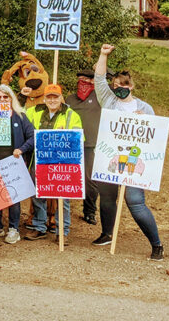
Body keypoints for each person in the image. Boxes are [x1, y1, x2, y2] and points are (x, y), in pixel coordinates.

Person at [92, 44, 163, 261]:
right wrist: (103, 54)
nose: (118, 88)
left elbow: (155, 138)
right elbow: (99, 79)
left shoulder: (145, 108)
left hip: (133, 161)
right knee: (107, 198)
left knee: (135, 202)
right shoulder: (109, 101)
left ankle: (156, 244)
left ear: (130, 86)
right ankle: (107, 234)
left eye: (122, 85)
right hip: (110, 159)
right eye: (115, 86)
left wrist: (145, 120)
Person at [24, 84, 82, 242]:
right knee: (38, 194)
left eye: (55, 97)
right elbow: (21, 122)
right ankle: (39, 227)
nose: (52, 100)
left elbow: (79, 139)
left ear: (61, 98)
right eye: (49, 97)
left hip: (62, 162)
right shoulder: (33, 111)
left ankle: (62, 231)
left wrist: (65, 135)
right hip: (40, 160)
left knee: (63, 197)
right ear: (44, 98)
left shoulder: (71, 115)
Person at [0, 85, 35, 244]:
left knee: (13, 195)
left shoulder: (20, 116)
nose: (2, 100)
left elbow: (33, 137)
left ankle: (13, 228)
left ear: (11, 99)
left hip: (12, 161)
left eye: (6, 97)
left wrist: (22, 149)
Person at [65, 69, 101, 225]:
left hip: (90, 144)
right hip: (71, 143)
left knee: (89, 180)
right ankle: (61, 211)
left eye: (87, 80)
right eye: (81, 80)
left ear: (93, 81)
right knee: (65, 177)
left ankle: (90, 211)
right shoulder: (70, 99)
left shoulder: (99, 97)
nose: (83, 83)